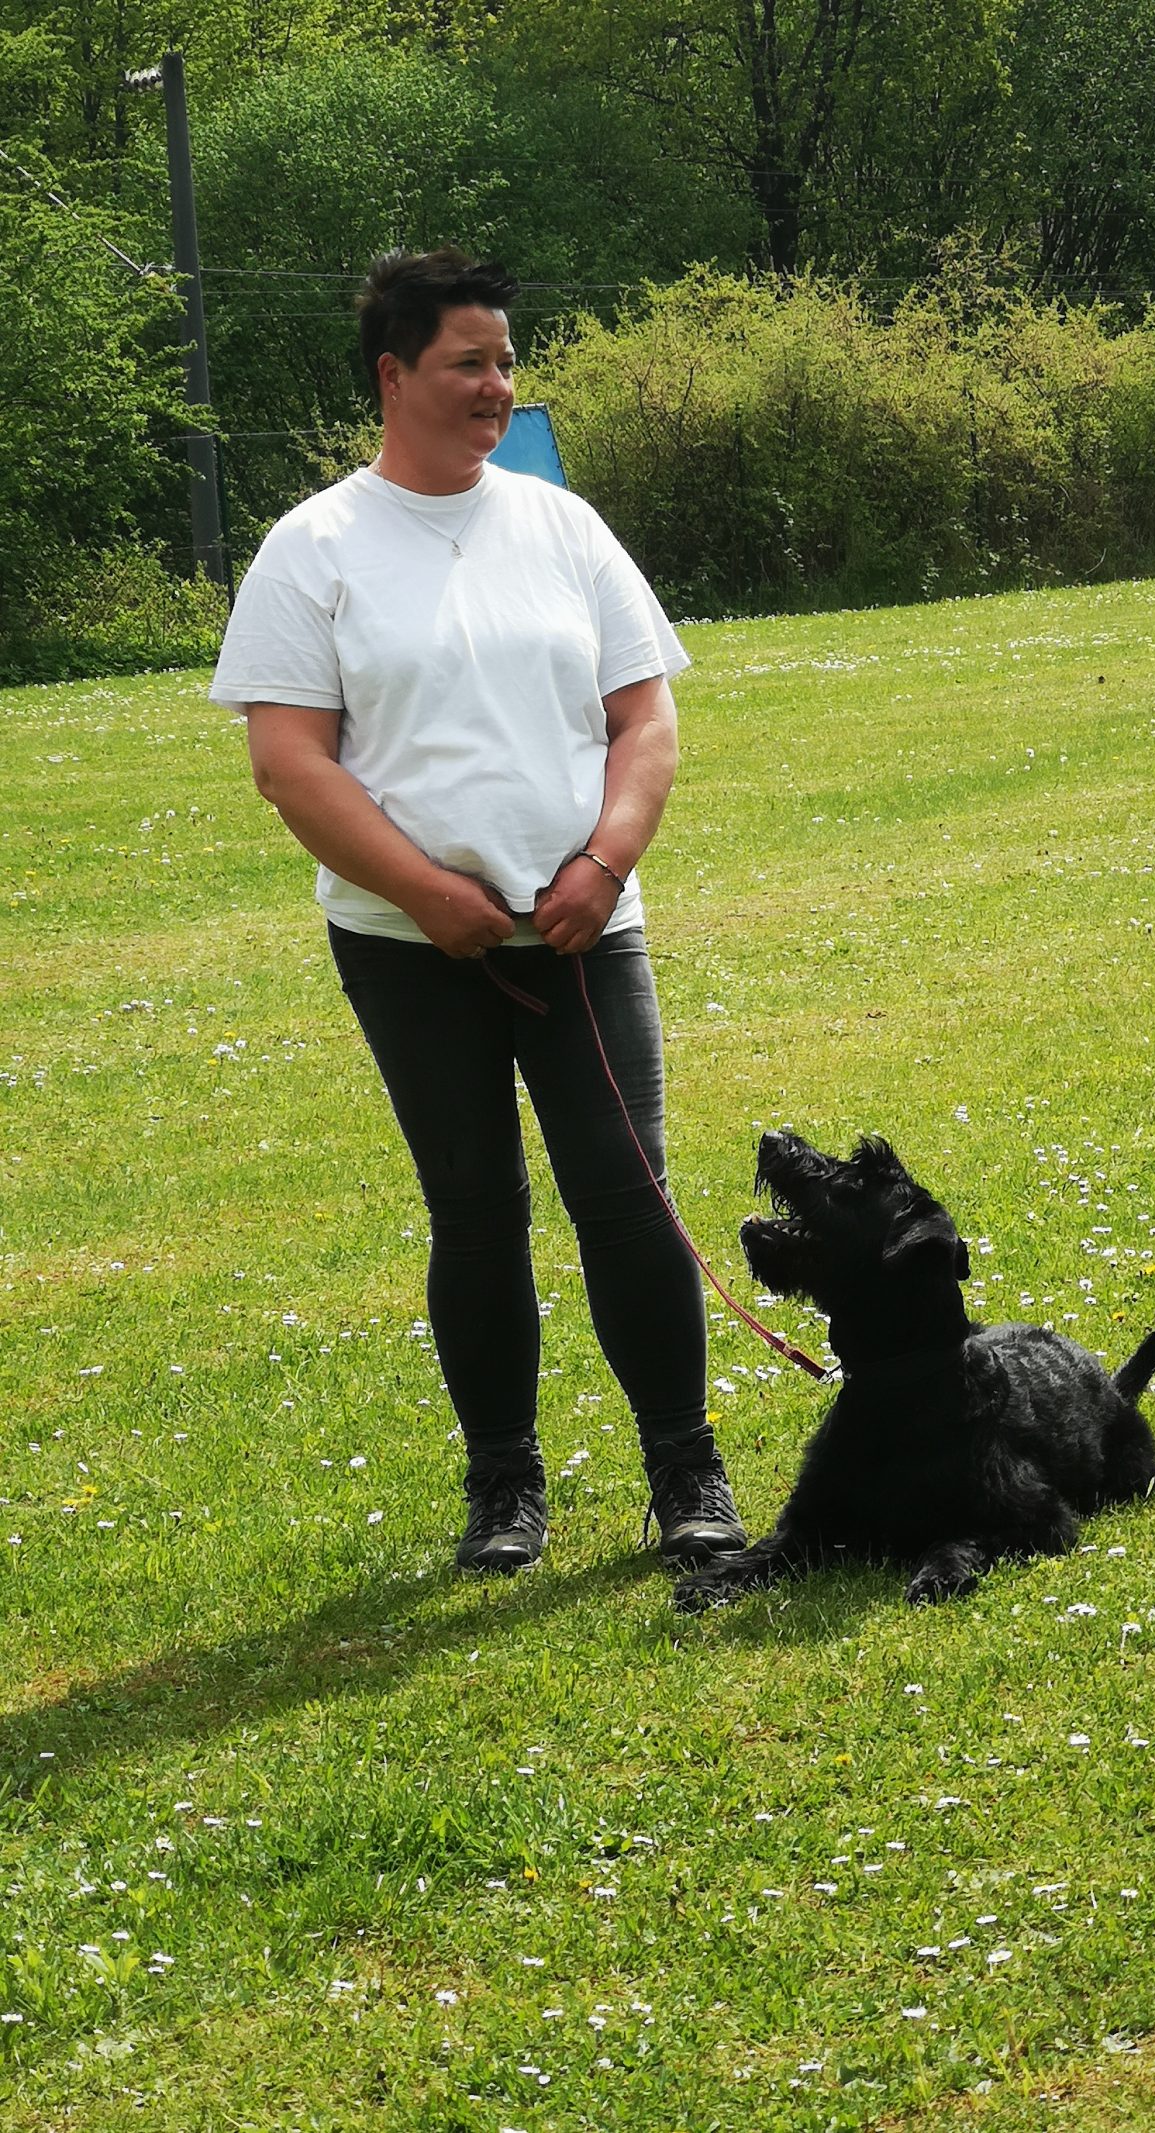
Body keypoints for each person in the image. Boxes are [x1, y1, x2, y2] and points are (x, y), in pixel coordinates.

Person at [210, 246, 747, 1575]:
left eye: (505, 361)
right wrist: (431, 895)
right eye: (469, 362)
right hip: (409, 951)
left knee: (629, 1200)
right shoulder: (313, 547)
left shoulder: (560, 527)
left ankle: (689, 1474)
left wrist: (604, 864)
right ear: (394, 376)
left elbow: (646, 715)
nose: (497, 385)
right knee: (477, 1211)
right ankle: (505, 1485)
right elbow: (290, 761)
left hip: (581, 933)